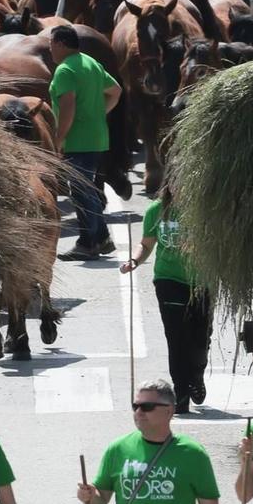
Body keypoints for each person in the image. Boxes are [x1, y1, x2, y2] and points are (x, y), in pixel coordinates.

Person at [80, 379, 220, 504]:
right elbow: (99, 500)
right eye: (135, 406)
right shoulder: (118, 449)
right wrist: (88, 496)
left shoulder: (192, 453)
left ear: (169, 411)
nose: (139, 412)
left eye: (147, 407)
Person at [124, 182, 209, 411]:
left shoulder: (206, 206)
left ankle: (197, 374)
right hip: (168, 279)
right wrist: (134, 260)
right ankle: (181, 392)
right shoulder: (157, 210)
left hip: (202, 281)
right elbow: (146, 244)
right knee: (176, 337)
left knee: (200, 337)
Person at [48, 25, 120, 260]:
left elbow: (67, 108)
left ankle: (88, 243)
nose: (50, 49)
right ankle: (102, 238)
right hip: (98, 136)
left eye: (51, 44)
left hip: (78, 140)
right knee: (86, 188)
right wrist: (99, 113)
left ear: (60, 44)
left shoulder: (65, 70)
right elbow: (116, 91)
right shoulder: (90, 63)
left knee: (81, 191)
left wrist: (59, 139)